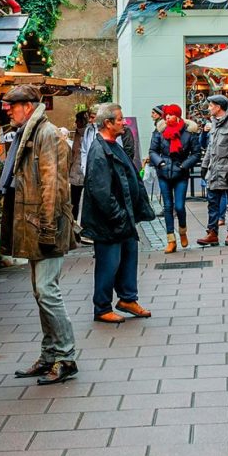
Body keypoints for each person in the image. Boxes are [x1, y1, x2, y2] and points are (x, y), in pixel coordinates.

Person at [0, 85, 78, 386]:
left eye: (12, 106)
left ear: (28, 107)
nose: (8, 110)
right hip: (35, 224)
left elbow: (53, 186)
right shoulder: (28, 133)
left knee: (47, 291)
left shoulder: (46, 135)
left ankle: (66, 357)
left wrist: (46, 227)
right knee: (40, 292)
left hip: (45, 224)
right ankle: (49, 355)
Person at [80, 102, 156, 324]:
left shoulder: (114, 144)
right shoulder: (99, 150)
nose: (124, 122)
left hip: (123, 217)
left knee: (129, 258)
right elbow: (100, 190)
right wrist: (118, 214)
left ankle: (127, 299)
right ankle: (102, 307)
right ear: (108, 123)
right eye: (120, 119)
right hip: (110, 221)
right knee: (109, 264)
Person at [149, 104, 201, 253]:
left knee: (179, 206)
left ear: (177, 116)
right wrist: (160, 162)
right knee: (167, 207)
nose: (167, 117)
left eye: (170, 115)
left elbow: (196, 154)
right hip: (164, 173)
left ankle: (182, 230)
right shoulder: (159, 131)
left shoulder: (189, 132)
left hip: (181, 173)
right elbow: (153, 151)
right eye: (166, 115)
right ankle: (171, 240)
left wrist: (184, 166)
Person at [197, 94, 228, 246]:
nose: (209, 108)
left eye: (211, 105)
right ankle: (212, 232)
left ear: (218, 107)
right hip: (214, 170)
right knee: (212, 202)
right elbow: (211, 147)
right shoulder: (214, 123)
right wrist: (204, 165)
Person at [69, 107, 95, 221]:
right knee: (74, 200)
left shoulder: (89, 133)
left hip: (83, 173)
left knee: (80, 200)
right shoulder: (77, 133)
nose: (75, 123)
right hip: (75, 173)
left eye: (77, 120)